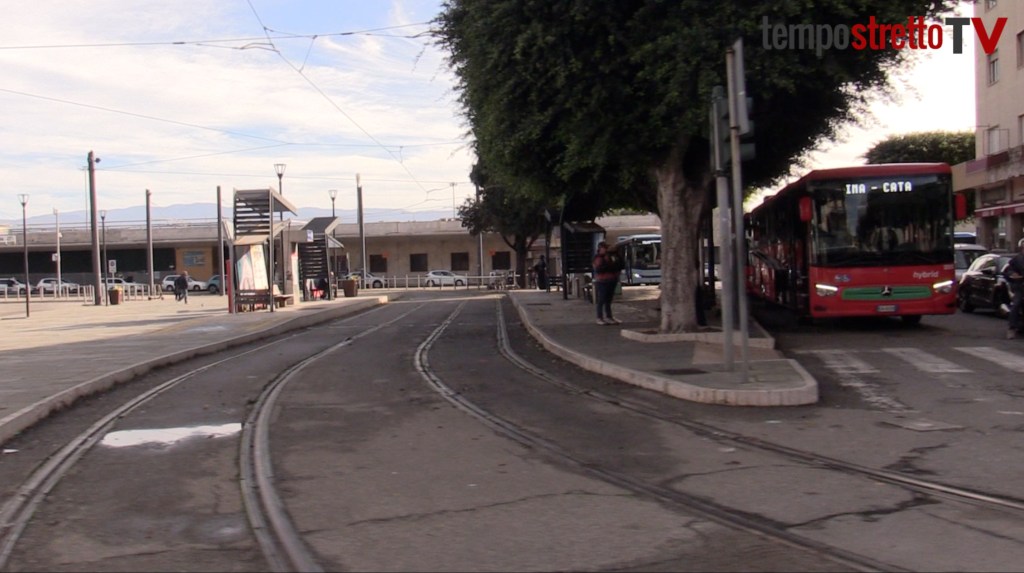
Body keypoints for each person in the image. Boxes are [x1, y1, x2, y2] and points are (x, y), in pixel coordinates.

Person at [592, 241, 622, 325]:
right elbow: (599, 269)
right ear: (600, 248)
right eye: (604, 248)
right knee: (601, 300)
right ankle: (599, 317)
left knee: (608, 300)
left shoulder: (611, 257)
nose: (606, 249)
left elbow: (619, 265)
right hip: (602, 281)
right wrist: (610, 266)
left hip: (611, 279)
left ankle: (609, 316)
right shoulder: (598, 258)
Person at [1004, 239, 1024, 339]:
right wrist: (1012, 274)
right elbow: (1008, 271)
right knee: (1016, 304)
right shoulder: (1017, 259)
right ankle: (1012, 328)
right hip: (1021, 287)